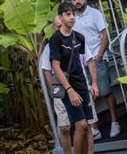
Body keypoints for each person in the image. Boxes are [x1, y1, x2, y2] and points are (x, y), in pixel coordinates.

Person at [41, 16, 99, 154]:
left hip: (81, 86)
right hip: (62, 89)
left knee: (87, 124)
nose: (60, 28)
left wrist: (94, 83)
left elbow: (89, 61)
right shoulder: (51, 44)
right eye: (57, 26)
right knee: (65, 127)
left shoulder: (77, 39)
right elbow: (47, 70)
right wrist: (56, 92)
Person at [70, 0, 120, 139]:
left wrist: (99, 55)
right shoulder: (71, 17)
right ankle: (94, 128)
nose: (77, 1)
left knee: (105, 91)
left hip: (97, 59)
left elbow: (104, 35)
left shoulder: (95, 14)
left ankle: (115, 122)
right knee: (87, 94)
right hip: (81, 62)